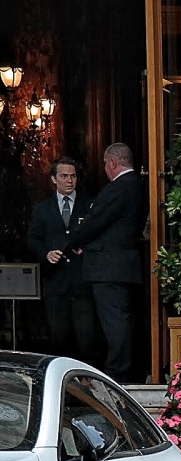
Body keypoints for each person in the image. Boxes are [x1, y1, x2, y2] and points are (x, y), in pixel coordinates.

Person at [63, 142, 145, 382]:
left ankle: (118, 372)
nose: (105, 170)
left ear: (112, 163)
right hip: (121, 265)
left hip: (110, 267)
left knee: (115, 321)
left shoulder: (119, 187)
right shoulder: (137, 185)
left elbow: (95, 221)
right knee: (120, 318)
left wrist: (74, 242)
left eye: (105, 165)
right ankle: (122, 367)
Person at [26, 157, 98, 362]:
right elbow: (33, 239)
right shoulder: (43, 208)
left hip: (82, 280)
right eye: (64, 176)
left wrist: (88, 249)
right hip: (55, 282)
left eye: (73, 176)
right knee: (59, 339)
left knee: (87, 338)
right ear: (53, 179)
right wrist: (46, 253)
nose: (69, 180)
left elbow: (98, 234)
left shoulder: (89, 204)